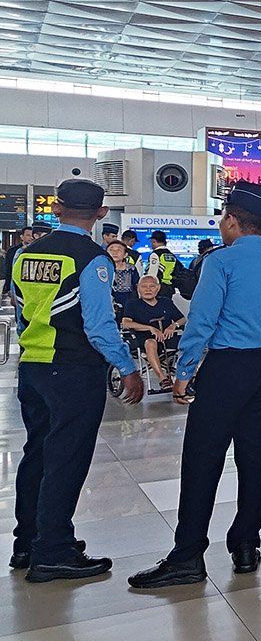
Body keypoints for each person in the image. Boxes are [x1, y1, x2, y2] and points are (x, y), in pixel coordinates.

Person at [128, 181, 261, 589]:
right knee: (255, 454)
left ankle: (188, 555)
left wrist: (183, 372)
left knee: (203, 457)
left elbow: (203, 321)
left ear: (231, 220)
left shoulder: (220, 262)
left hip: (228, 368)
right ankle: (246, 544)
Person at [9, 180, 141, 583]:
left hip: (32, 367)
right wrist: (128, 367)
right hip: (73, 371)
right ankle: (54, 551)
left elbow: (20, 313)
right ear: (101, 214)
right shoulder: (94, 259)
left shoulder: (24, 255)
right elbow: (99, 327)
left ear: (58, 207)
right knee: (67, 458)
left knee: (38, 454)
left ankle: (28, 542)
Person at [121, 276, 187, 390]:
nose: (148, 290)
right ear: (138, 288)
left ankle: (188, 376)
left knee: (188, 341)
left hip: (166, 337)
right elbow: (126, 323)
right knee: (150, 343)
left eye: (152, 286)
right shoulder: (132, 304)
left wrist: (173, 326)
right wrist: (150, 328)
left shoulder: (165, 302)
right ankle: (163, 379)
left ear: (158, 288)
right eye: (144, 287)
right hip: (144, 339)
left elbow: (182, 319)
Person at [144, 230, 180, 299]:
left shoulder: (155, 254)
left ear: (154, 241)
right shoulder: (172, 255)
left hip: (158, 288)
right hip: (170, 288)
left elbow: (152, 273)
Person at [107, 240, 137, 314]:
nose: (115, 253)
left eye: (119, 250)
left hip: (128, 303)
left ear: (125, 254)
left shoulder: (131, 268)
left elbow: (136, 285)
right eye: (111, 250)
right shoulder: (103, 268)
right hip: (107, 303)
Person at [3, 226, 34, 296]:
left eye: (32, 235)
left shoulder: (37, 250)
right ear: (22, 237)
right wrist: (8, 287)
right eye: (28, 235)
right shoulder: (12, 251)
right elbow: (9, 269)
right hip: (15, 283)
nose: (31, 238)